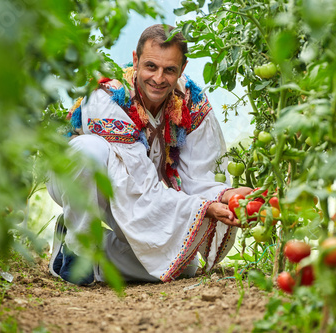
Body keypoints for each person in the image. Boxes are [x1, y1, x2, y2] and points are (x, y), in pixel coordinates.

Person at [47, 24, 252, 285]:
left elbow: (196, 176)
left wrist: (224, 196)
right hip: (81, 182)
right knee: (91, 151)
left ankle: (95, 258)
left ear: (183, 68)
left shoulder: (191, 103)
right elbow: (134, 181)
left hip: (142, 190)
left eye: (170, 70)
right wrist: (204, 209)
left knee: (182, 265)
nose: (158, 78)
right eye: (151, 66)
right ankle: (78, 246)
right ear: (135, 59)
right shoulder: (108, 96)